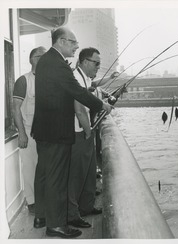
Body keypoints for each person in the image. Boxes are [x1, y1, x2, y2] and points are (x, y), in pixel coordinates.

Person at [31, 27, 113, 239]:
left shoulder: (49, 62)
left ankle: (47, 219)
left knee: (50, 178)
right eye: (73, 42)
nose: (77, 46)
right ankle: (56, 226)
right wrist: (101, 105)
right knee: (58, 180)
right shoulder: (57, 64)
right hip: (55, 132)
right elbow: (76, 92)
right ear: (61, 42)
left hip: (47, 131)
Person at [68, 47, 114, 228]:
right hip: (79, 133)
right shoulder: (76, 79)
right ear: (85, 62)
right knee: (76, 175)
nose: (98, 66)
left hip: (87, 130)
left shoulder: (87, 79)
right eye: (96, 63)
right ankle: (72, 215)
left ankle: (86, 207)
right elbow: (79, 110)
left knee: (88, 172)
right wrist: (89, 132)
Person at [12, 46, 47, 214]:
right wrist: (22, 134)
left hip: (47, 133)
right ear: (33, 59)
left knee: (46, 167)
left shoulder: (49, 80)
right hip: (29, 132)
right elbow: (15, 108)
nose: (45, 59)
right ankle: (32, 202)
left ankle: (46, 199)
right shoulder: (23, 80)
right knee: (30, 167)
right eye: (42, 56)